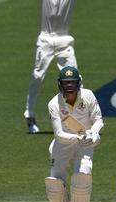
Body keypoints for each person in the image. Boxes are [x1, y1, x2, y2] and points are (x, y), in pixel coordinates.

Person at [44, 66, 103, 202]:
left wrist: (94, 133)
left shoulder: (89, 96)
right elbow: (59, 135)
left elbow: (98, 119)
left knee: (82, 178)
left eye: (72, 83)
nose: (69, 86)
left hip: (84, 144)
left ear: (78, 83)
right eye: (65, 83)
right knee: (55, 183)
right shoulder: (54, 104)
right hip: (63, 145)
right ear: (60, 84)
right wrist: (79, 138)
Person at [24, 0, 78, 134]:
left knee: (75, 79)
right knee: (37, 77)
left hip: (64, 42)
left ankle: (77, 118)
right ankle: (30, 115)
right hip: (45, 41)